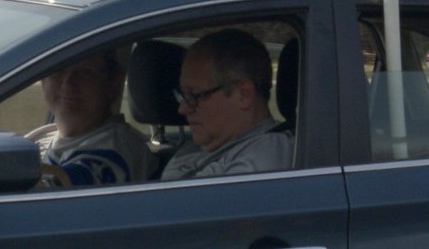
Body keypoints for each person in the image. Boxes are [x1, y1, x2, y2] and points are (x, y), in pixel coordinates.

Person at [161, 28, 293, 181]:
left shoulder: (267, 153)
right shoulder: (201, 147)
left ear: (243, 95)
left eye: (194, 96)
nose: (182, 109)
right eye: (183, 95)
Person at [29, 49, 151, 186]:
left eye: (85, 71)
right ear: (43, 80)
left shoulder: (117, 147)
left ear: (113, 83)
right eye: (57, 70)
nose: (68, 82)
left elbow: (65, 189)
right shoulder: (43, 137)